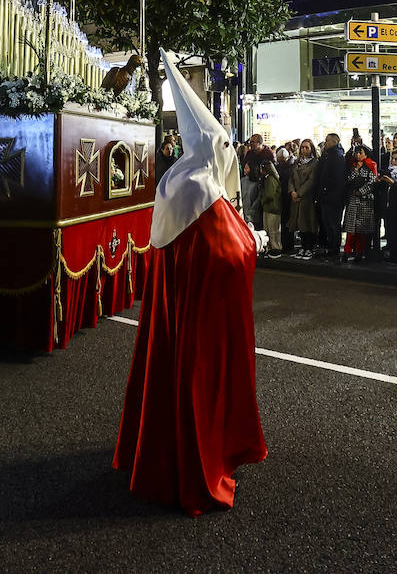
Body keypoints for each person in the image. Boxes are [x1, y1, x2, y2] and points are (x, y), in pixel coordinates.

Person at [115, 51, 266, 516]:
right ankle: (192, 465)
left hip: (182, 303)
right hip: (202, 311)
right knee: (197, 382)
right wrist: (252, 240)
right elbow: (228, 250)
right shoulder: (201, 187)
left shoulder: (178, 179)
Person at [342, 146, 375, 262]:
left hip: (365, 202)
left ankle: (359, 253)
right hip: (353, 200)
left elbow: (372, 183)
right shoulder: (352, 166)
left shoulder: (370, 166)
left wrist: (360, 192)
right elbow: (348, 180)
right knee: (350, 230)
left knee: (361, 231)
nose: (357, 155)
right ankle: (347, 252)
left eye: (360, 152)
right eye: (356, 152)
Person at [316, 133, 347, 260]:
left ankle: (334, 249)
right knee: (327, 224)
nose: (325, 143)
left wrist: (326, 191)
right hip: (326, 197)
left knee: (334, 225)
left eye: (327, 141)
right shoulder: (328, 156)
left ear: (334, 142)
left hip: (333, 198)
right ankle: (330, 247)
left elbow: (337, 180)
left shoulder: (338, 157)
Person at [287, 140, 319, 259]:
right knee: (298, 223)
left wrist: (299, 193)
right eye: (302, 147)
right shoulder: (296, 162)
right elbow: (290, 179)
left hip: (307, 198)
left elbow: (311, 181)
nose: (304, 150)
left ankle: (309, 248)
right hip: (296, 198)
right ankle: (303, 247)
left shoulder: (314, 163)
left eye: (307, 147)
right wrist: (292, 191)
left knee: (308, 223)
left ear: (311, 149)